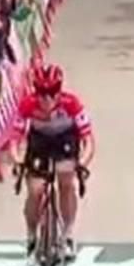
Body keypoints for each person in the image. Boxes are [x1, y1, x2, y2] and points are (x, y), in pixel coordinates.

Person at [14, 61, 95, 253]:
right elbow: (14, 140)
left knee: (66, 181)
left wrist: (82, 164)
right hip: (40, 141)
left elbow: (89, 141)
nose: (47, 98)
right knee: (35, 190)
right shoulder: (28, 104)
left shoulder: (71, 103)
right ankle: (31, 233)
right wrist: (17, 160)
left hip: (65, 139)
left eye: (52, 92)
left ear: (59, 90)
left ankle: (68, 234)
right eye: (41, 92)